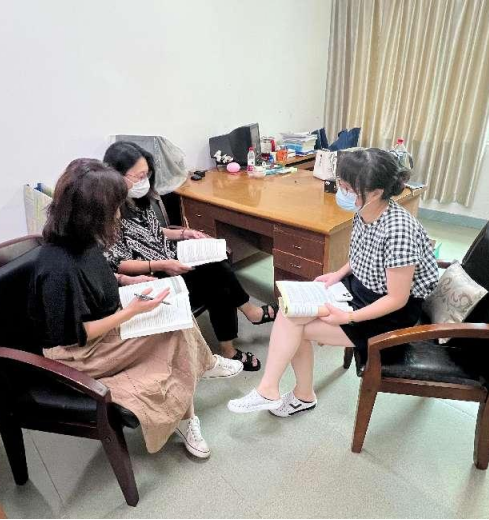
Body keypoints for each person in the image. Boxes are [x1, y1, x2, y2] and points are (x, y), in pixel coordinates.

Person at [28, 158, 244, 459]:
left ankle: (201, 369)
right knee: (173, 332)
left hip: (103, 320)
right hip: (79, 353)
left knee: (175, 310)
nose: (119, 215)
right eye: (114, 209)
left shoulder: (81, 239)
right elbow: (77, 334)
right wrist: (132, 311)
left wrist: (126, 279)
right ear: (91, 214)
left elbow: (97, 275)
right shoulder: (59, 269)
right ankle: (190, 405)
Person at [227, 148, 440, 416]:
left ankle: (291, 394)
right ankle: (277, 391)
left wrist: (348, 317)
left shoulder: (399, 231)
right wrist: (338, 274)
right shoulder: (366, 210)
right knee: (289, 313)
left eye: (348, 188)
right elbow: (363, 253)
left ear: (375, 192)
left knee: (295, 328)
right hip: (359, 290)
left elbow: (397, 299)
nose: (342, 192)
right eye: (341, 184)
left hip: (388, 313)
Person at [103, 141, 278, 372]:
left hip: (168, 260)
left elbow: (154, 232)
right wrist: (163, 264)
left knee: (217, 262)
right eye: (139, 176)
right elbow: (119, 264)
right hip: (150, 279)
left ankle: (236, 336)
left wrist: (185, 233)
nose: (144, 181)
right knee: (218, 279)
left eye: (147, 175)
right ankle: (245, 322)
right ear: (115, 175)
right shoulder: (107, 212)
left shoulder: (136, 199)